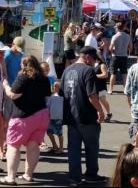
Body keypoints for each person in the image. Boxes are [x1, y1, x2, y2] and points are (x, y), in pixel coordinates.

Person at [60, 46, 107, 187]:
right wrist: (101, 110)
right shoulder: (88, 71)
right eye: (93, 60)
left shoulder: (67, 69)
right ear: (87, 57)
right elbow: (92, 95)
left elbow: (62, 92)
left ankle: (74, 177)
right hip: (87, 116)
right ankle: (91, 174)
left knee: (73, 148)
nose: (94, 63)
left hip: (71, 115)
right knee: (91, 147)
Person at [1, 55, 51, 185]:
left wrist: (6, 86)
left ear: (23, 65)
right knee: (34, 146)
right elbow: (47, 94)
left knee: (13, 145)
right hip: (42, 115)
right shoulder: (43, 78)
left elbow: (13, 94)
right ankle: (28, 175)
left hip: (23, 117)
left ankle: (11, 178)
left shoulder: (23, 76)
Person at [108, 22, 133, 94]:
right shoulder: (128, 36)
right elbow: (131, 48)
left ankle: (110, 89)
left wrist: (112, 50)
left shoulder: (115, 36)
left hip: (115, 56)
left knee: (113, 73)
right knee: (124, 73)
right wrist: (126, 50)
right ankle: (125, 89)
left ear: (117, 28)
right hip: (124, 56)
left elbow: (111, 48)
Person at [47, 81, 64, 154]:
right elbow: (48, 107)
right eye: (54, 86)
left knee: (59, 133)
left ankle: (61, 148)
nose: (55, 87)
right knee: (49, 132)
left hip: (59, 118)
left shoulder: (63, 97)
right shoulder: (51, 97)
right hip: (50, 118)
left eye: (57, 86)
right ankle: (54, 146)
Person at [94, 52, 112, 123]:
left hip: (101, 86)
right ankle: (99, 114)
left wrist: (95, 76)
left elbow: (105, 75)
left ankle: (109, 113)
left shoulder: (102, 65)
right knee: (96, 101)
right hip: (95, 86)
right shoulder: (95, 64)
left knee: (102, 100)